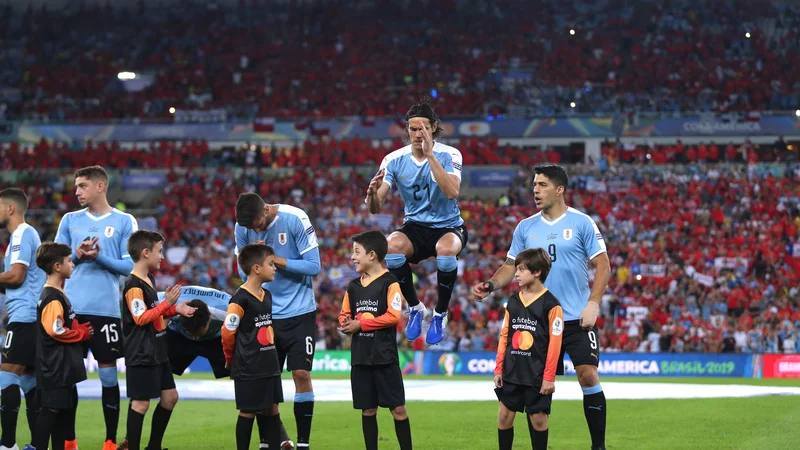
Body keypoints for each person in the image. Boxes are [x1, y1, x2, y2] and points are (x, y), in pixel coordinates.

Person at [473, 165, 611, 450]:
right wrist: (491, 285)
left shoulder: (582, 222)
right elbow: (511, 266)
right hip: (536, 322)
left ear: (559, 189)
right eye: (534, 184)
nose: (535, 190)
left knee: (587, 374)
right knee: (531, 389)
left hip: (575, 318)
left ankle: (598, 446)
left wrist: (593, 303)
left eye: (542, 184)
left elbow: (603, 265)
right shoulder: (525, 227)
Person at [365, 102, 467, 345]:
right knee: (391, 247)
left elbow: (452, 191)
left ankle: (440, 312)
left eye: (423, 128)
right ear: (407, 131)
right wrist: (371, 195)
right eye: (413, 129)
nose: (418, 134)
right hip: (415, 226)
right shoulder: (393, 159)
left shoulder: (450, 154)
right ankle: (415, 307)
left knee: (445, 250)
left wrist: (430, 155)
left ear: (434, 128)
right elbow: (375, 208)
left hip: (448, 225)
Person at [55, 166, 137, 450]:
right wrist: (76, 257)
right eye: (76, 186)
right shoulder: (69, 220)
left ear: (100, 186)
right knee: (68, 379)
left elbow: (130, 266)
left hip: (106, 312)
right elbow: (54, 265)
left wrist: (100, 258)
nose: (76, 191)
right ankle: (69, 441)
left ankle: (110, 441)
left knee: (108, 376)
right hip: (72, 310)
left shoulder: (124, 221)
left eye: (82, 186)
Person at [234, 193, 321, 449]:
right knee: (266, 380)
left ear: (266, 210)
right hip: (264, 311)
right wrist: (254, 261)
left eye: (256, 224)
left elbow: (314, 266)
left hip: (299, 311)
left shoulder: (295, 218)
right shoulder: (242, 226)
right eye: (248, 228)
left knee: (301, 373)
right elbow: (241, 269)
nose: (253, 230)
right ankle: (269, 442)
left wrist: (275, 260)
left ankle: (303, 443)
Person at [161, 286, 296, 450]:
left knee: (254, 379)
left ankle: (274, 436)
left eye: (199, 333)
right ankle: (137, 440)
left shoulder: (228, 307)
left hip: (218, 338)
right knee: (153, 370)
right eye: (192, 334)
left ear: (210, 318)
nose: (196, 338)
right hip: (179, 337)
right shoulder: (168, 299)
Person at [337, 231, 413, 450]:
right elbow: (344, 313)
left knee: (398, 409)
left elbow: (394, 316)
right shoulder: (353, 286)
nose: (352, 257)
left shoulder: (391, 283)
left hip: (384, 358)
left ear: (372, 255)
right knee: (367, 410)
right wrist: (345, 323)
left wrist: (361, 325)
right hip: (360, 358)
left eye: (356, 252)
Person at [120, 230, 195, 450]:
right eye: (159, 251)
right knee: (141, 404)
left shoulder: (148, 279)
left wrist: (175, 309)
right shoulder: (134, 285)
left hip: (157, 350)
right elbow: (141, 317)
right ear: (145, 253)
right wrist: (166, 303)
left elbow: (153, 312)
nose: (162, 256)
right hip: (142, 352)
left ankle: (153, 446)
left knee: (170, 397)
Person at [494, 248, 563, 450]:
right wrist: (499, 369)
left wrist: (549, 377)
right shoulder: (513, 302)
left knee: (539, 419)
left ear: (536, 272)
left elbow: (555, 344)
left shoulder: (552, 305)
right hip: (512, 370)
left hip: (537, 373)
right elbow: (504, 336)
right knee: (505, 415)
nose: (516, 274)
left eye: (521, 270)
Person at [31, 242, 93, 450]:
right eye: (68, 261)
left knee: (59, 415)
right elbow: (55, 330)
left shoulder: (56, 293)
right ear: (57, 266)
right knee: (50, 411)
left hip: (61, 366)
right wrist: (80, 333)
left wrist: (76, 327)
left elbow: (60, 325)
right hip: (55, 367)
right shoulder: (52, 296)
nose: (72, 264)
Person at [222, 244, 283, 450]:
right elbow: (227, 332)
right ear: (257, 268)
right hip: (248, 366)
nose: (275, 268)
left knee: (272, 410)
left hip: (269, 363)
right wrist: (231, 358)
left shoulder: (267, 295)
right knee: (248, 411)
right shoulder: (239, 299)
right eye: (271, 264)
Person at [0, 188, 45, 450]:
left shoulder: (22, 234)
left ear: (10, 209)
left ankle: (7, 445)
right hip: (28, 316)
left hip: (25, 317)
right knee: (29, 382)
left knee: (7, 376)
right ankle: (38, 445)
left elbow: (16, 276)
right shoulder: (23, 235)